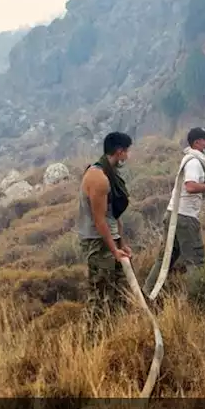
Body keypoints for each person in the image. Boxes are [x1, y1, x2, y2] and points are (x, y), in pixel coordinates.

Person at [143, 127, 205, 297]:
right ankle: (197, 297)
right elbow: (191, 186)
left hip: (174, 214)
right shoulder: (195, 162)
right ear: (196, 142)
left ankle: (147, 292)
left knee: (166, 257)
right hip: (185, 217)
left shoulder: (194, 159)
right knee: (195, 260)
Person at [78, 131, 134, 330]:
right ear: (119, 152)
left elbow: (113, 216)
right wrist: (113, 250)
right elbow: (99, 220)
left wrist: (122, 243)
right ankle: (92, 340)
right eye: (126, 152)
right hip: (98, 242)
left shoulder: (110, 174)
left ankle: (117, 333)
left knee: (119, 290)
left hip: (111, 240)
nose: (127, 156)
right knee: (100, 293)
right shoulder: (98, 178)